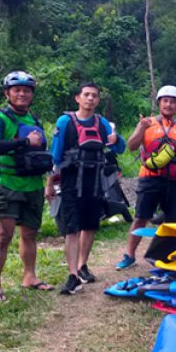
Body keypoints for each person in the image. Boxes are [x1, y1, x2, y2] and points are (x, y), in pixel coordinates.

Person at [49, 83, 125, 294]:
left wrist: (115, 138)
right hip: (71, 181)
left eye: (94, 96)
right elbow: (55, 154)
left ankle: (82, 265)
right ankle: (72, 274)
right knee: (72, 228)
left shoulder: (102, 123)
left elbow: (119, 148)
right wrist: (50, 183)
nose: (90, 99)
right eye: (86, 95)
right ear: (77, 98)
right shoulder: (65, 122)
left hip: (95, 182)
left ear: (98, 100)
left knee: (90, 226)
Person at [0, 71, 53, 300]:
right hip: (8, 184)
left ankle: (30, 276)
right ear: (7, 93)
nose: (22, 94)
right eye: (17, 90)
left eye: (27, 90)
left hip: (32, 184)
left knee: (30, 234)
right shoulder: (0, 119)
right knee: (3, 235)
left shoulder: (35, 120)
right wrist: (24, 141)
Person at [116, 85, 176, 270]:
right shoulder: (147, 123)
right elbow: (132, 146)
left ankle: (169, 256)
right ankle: (130, 255)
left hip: (175, 180)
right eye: (165, 101)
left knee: (174, 220)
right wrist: (141, 128)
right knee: (141, 217)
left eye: (173, 102)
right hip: (150, 178)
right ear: (159, 103)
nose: (168, 105)